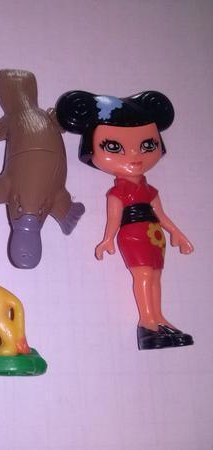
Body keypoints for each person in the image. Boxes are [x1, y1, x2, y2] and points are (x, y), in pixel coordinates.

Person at [56, 90, 194, 350]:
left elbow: (162, 216)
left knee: (156, 277)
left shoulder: (150, 190)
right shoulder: (118, 193)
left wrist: (178, 234)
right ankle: (147, 323)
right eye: (113, 147)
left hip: (155, 236)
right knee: (143, 276)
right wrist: (107, 239)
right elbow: (114, 218)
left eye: (147, 145)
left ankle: (159, 319)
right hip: (133, 235)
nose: (134, 155)